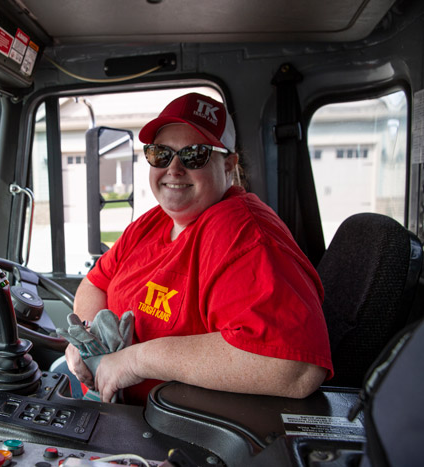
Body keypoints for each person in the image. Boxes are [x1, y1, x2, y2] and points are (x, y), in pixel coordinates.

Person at [65, 92, 333, 405]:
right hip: (110, 411)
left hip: (169, 433)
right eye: (160, 154)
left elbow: (295, 368)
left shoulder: (243, 235)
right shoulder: (151, 223)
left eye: (194, 155)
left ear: (229, 165)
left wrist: (136, 361)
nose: (174, 169)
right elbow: (95, 282)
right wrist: (90, 343)